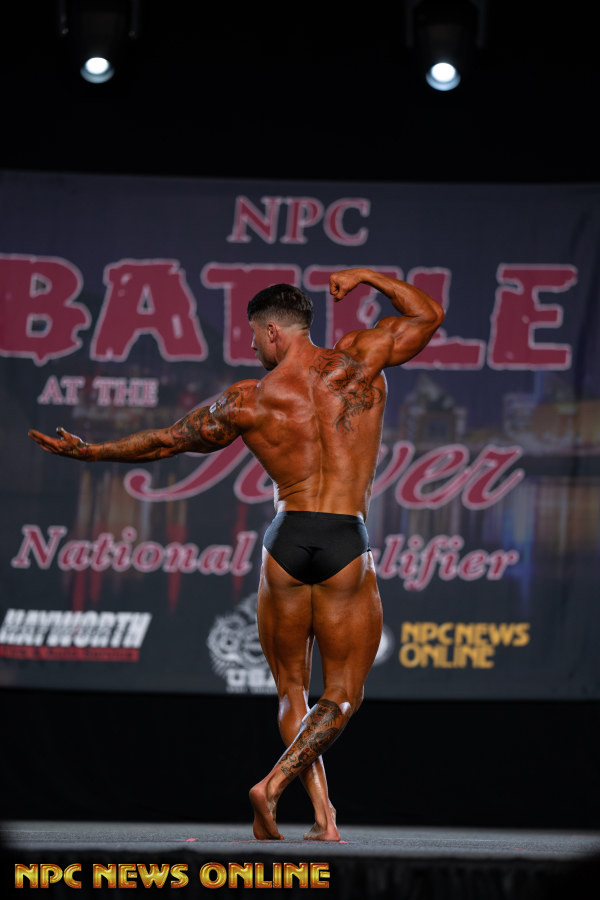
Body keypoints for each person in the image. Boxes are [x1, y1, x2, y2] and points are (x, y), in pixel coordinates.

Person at [29, 267, 444, 841]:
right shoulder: (359, 363)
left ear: (273, 332)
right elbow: (428, 315)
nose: (251, 347)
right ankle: (276, 789)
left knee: (291, 689)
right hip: (346, 540)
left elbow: (166, 442)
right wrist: (367, 277)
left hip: (286, 541)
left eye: (253, 335)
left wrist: (92, 453)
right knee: (343, 695)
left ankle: (324, 817)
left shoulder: (250, 400)